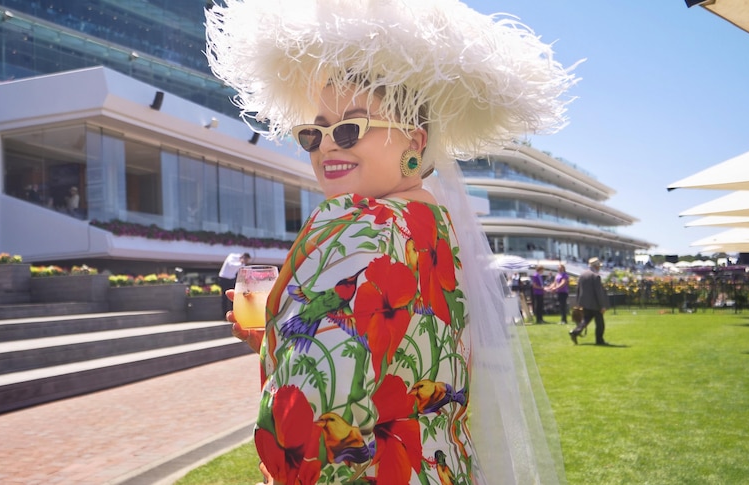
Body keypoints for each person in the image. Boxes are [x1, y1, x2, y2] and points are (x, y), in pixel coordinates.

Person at [207, 1, 575, 483]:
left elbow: (302, 421)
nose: (327, 145)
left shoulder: (355, 221)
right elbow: (396, 356)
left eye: (349, 128)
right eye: (313, 134)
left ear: (415, 142)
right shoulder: (438, 230)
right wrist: (281, 335)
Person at [570, 257, 609, 345]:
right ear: (596, 266)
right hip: (595, 304)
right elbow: (598, 292)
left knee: (586, 320)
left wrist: (578, 302)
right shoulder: (596, 276)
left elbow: (578, 289)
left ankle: (575, 332)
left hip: (585, 303)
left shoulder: (582, 275)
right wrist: (602, 305)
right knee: (600, 324)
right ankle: (599, 340)